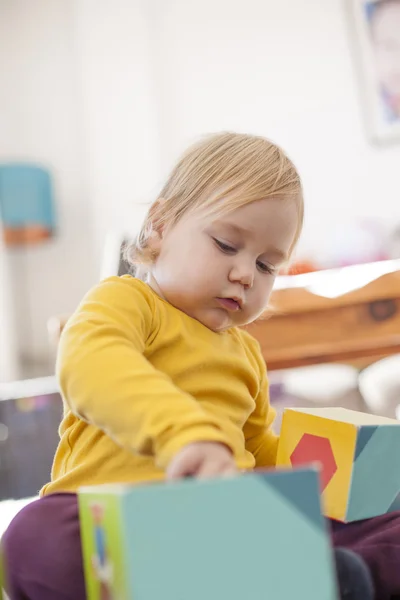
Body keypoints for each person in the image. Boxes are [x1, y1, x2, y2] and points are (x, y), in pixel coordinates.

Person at [3, 132, 382, 599]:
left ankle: (332, 575)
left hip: (214, 528)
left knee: (379, 518)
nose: (245, 273)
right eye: (226, 244)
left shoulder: (245, 352)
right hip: (112, 519)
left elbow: (256, 442)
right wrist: (184, 434)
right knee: (30, 534)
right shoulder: (127, 301)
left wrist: (338, 472)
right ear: (160, 225)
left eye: (266, 266)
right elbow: (91, 363)